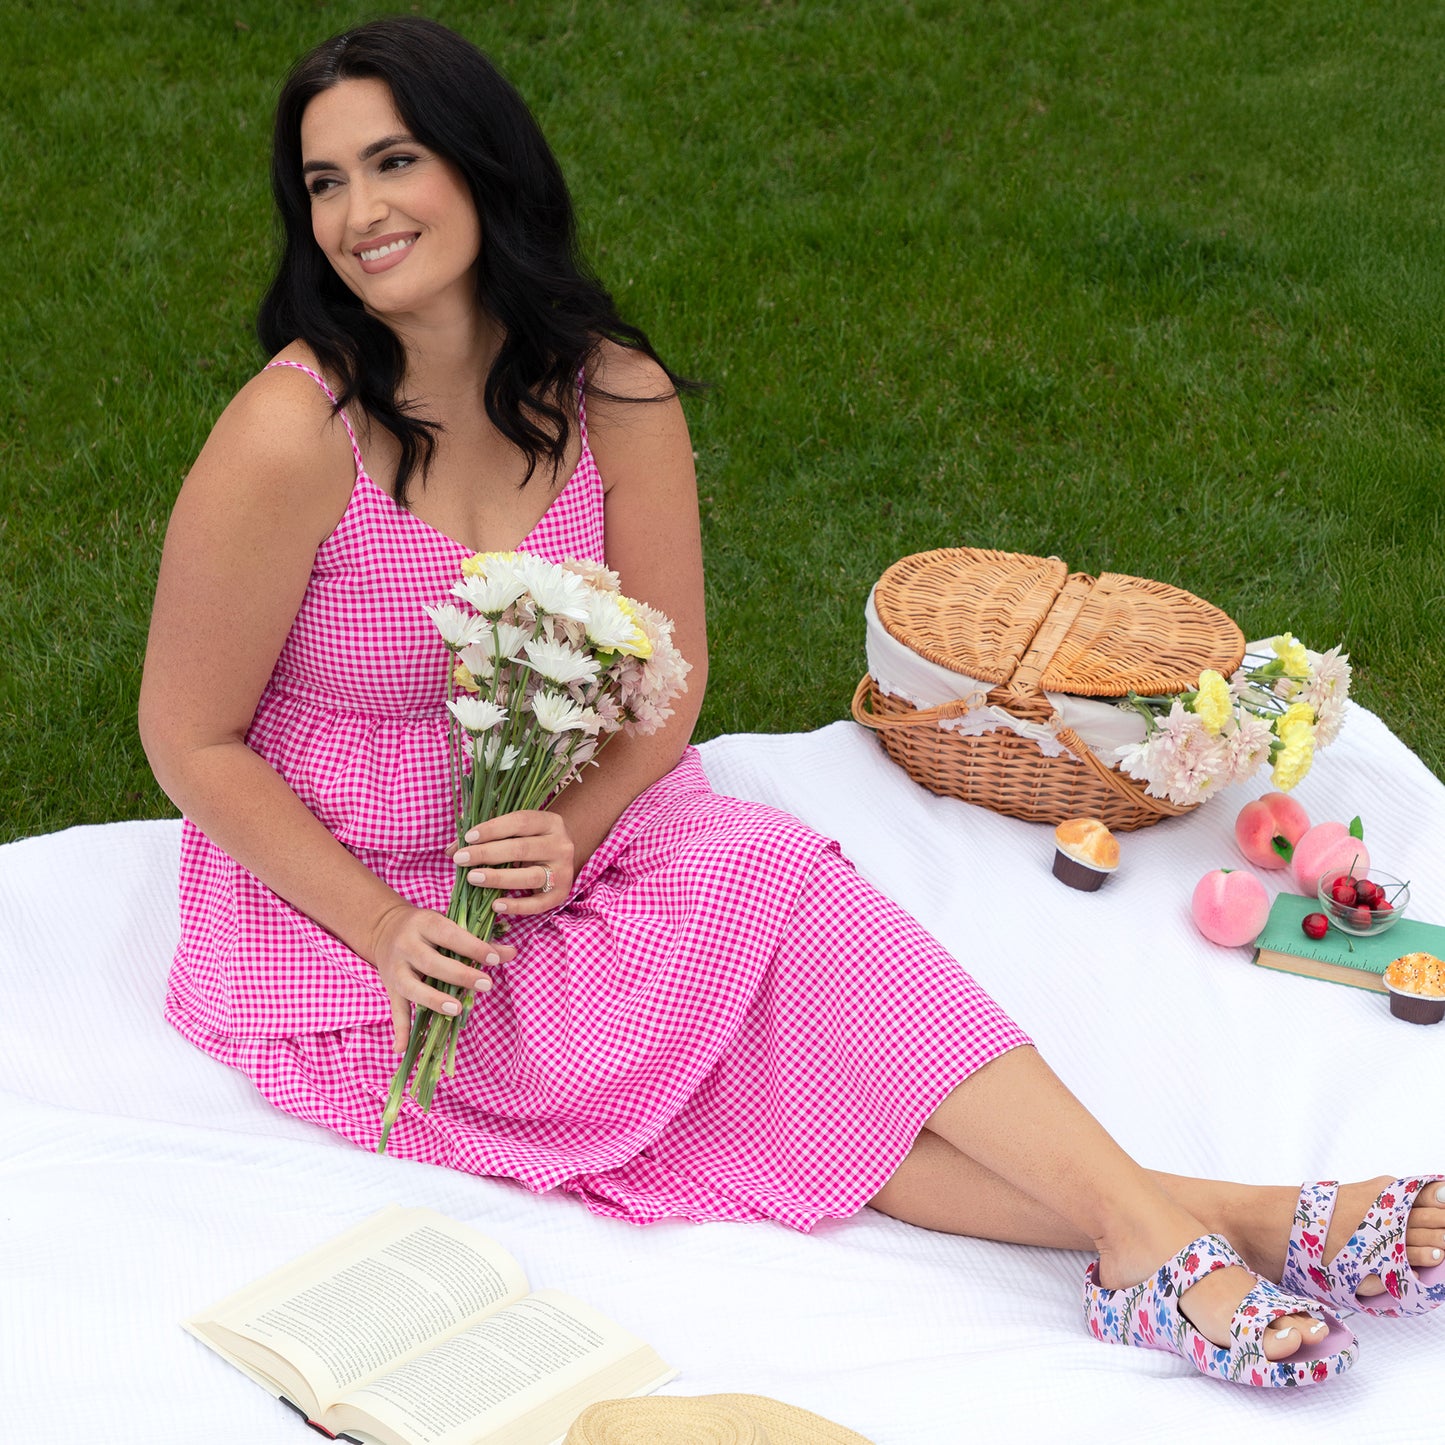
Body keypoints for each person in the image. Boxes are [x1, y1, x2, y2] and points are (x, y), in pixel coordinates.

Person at [139, 16, 1443, 1392]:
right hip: (360, 898)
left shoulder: (609, 390)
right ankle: (1211, 1223)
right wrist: (386, 929)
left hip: (575, 827)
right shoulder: (293, 433)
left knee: (785, 894)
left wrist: (578, 824)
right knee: (733, 1076)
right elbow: (189, 737)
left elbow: (672, 676)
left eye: (393, 161)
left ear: (481, 165)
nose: (358, 212)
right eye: (324, 182)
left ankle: (1157, 1236)